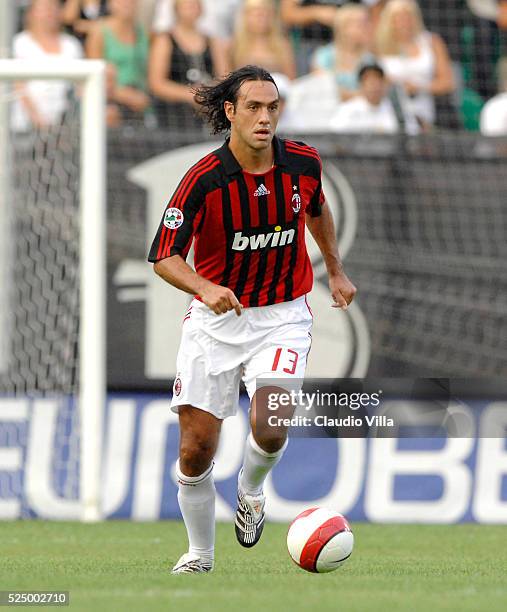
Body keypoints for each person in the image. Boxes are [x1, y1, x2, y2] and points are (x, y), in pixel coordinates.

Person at [147, 65, 357, 573]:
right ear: (231, 112)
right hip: (216, 323)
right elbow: (163, 255)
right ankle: (200, 555)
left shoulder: (304, 162)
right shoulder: (203, 179)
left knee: (272, 420)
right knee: (196, 452)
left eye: (273, 107)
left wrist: (335, 268)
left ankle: (249, 490)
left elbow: (316, 210)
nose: (265, 118)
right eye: (254, 108)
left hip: (283, 316)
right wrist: (204, 287)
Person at [375, 0, 455, 129]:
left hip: (427, 110)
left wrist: (419, 87)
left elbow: (447, 83)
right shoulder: (379, 46)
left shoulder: (432, 42)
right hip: (390, 110)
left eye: (407, 17)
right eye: (398, 18)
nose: (404, 23)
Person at [148, 0, 227, 129]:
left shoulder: (212, 41)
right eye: (187, 5)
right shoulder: (165, 40)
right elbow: (156, 83)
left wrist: (209, 93)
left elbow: (225, 78)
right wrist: (191, 95)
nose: (191, 8)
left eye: (195, 4)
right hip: (173, 116)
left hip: (207, 115)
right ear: (176, 9)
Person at [12, 0, 83, 132]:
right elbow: (18, 86)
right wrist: (38, 121)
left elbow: (79, 88)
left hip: (66, 130)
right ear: (31, 13)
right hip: (26, 130)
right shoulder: (19, 43)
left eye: (54, 7)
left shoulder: (72, 45)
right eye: (44, 8)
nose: (50, 13)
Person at [86, 0, 151, 122]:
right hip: (110, 101)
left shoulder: (143, 31)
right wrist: (124, 95)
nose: (126, 3)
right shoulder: (99, 31)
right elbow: (94, 75)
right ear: (110, 4)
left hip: (141, 101)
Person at [330, 61, 419, 133]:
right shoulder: (348, 110)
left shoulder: (398, 110)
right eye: (370, 82)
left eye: (378, 81)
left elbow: (412, 132)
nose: (374, 87)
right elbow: (335, 137)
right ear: (361, 85)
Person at [312, 3, 373, 101]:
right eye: (361, 24)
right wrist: (360, 95)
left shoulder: (369, 59)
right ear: (344, 28)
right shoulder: (324, 56)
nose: (368, 28)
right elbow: (324, 90)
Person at [229, 0, 296, 80]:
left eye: (266, 14)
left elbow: (291, 80)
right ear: (246, 16)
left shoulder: (282, 45)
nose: (262, 19)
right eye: (257, 14)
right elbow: (227, 81)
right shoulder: (235, 46)